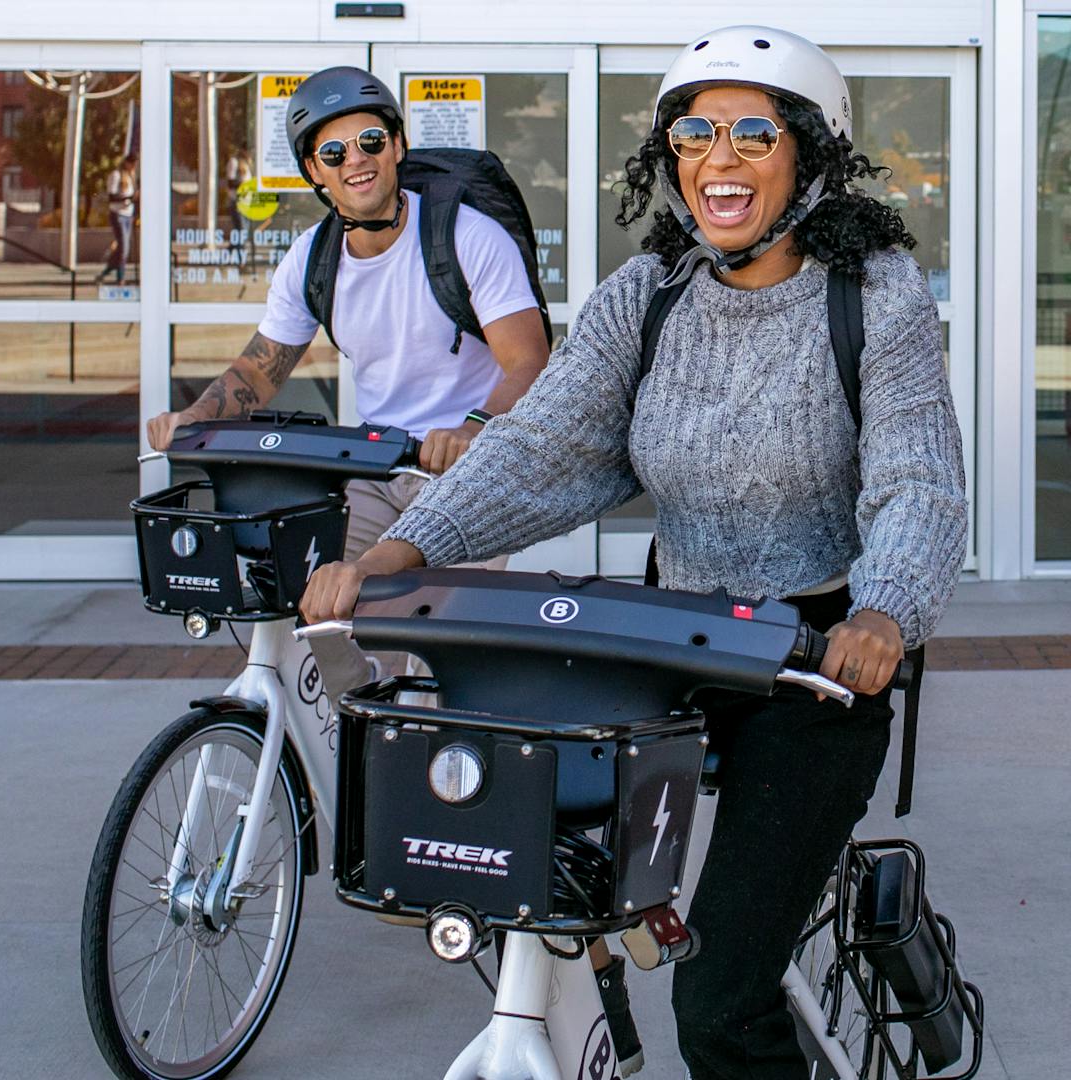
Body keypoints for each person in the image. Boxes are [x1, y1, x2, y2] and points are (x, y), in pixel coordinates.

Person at [300, 26, 968, 1080]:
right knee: (535, 874)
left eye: (755, 132)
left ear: (809, 153)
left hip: (818, 658)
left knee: (718, 999)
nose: (720, 158)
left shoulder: (871, 293)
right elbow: (540, 446)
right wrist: (409, 548)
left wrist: (884, 611)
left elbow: (916, 475)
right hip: (676, 631)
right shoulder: (647, 294)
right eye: (694, 132)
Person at [146, 67, 550, 673]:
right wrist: (196, 418)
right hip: (375, 464)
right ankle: (338, 748)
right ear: (314, 171)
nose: (354, 161)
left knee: (442, 646)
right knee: (318, 609)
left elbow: (529, 360)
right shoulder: (312, 258)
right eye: (333, 151)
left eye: (371, 142)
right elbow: (258, 372)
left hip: (468, 467)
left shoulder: (468, 237)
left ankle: (437, 756)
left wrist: (472, 428)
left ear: (398, 147)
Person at [97, 152, 137, 285]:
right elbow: (112, 197)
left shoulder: (131, 177)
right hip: (118, 214)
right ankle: (120, 277)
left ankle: (107, 271)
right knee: (123, 246)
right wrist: (128, 199)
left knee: (123, 247)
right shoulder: (116, 175)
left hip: (128, 215)